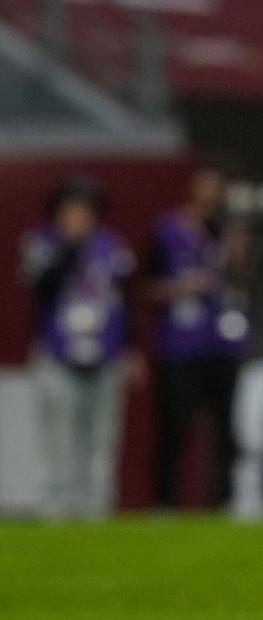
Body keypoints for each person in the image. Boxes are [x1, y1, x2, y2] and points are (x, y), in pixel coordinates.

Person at [19, 176, 138, 519]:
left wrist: (131, 347)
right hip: (57, 351)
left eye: (84, 211)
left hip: (106, 353)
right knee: (59, 436)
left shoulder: (113, 247)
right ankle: (56, 507)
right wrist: (70, 249)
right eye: (71, 211)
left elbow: (126, 300)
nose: (78, 218)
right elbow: (41, 288)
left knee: (103, 436)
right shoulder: (41, 245)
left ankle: (96, 507)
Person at [146, 157, 252, 508]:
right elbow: (145, 287)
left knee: (224, 430)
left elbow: (242, 279)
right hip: (181, 347)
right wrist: (180, 288)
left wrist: (239, 248)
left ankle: (222, 501)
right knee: (175, 428)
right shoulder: (167, 231)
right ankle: (166, 504)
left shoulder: (227, 231)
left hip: (223, 344)